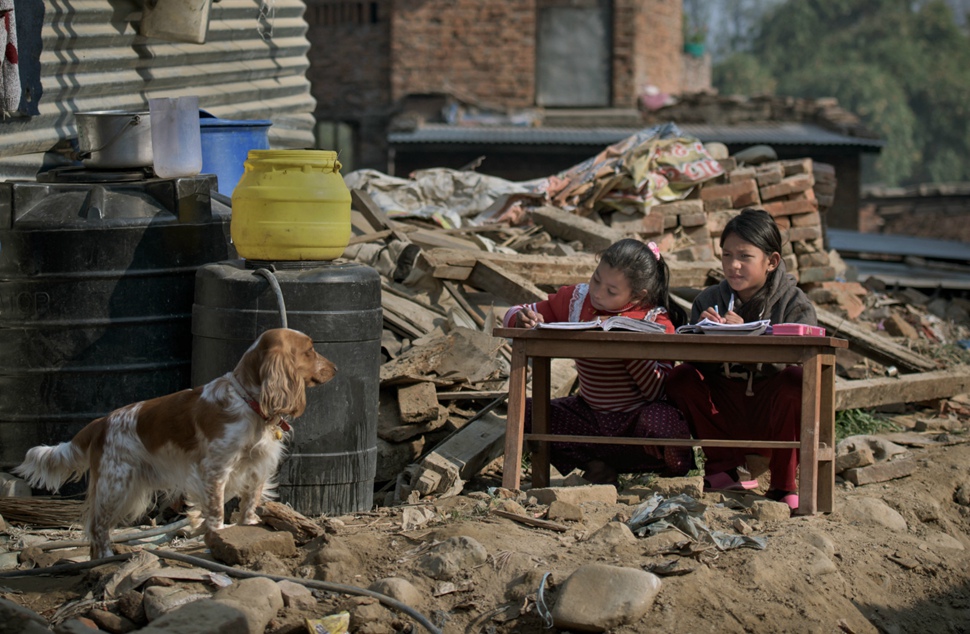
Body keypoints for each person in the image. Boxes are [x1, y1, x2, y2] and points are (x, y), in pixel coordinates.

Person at [502, 238, 691, 486]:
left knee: (662, 422)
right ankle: (597, 467)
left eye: (611, 291)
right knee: (525, 412)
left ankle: (668, 478)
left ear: (638, 295)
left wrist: (631, 353)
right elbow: (513, 313)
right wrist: (522, 319)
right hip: (589, 420)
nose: (598, 293)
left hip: (635, 426)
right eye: (596, 279)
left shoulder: (656, 321)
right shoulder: (576, 301)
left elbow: (656, 391)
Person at [665, 207, 817, 512]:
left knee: (796, 382)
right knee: (681, 378)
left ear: (772, 261)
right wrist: (705, 334)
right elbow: (695, 361)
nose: (733, 266)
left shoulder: (794, 302)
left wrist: (753, 337)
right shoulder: (708, 300)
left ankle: (784, 484)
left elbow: (805, 356)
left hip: (770, 411)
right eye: (726, 256)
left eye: (745, 257)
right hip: (727, 406)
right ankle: (723, 469)